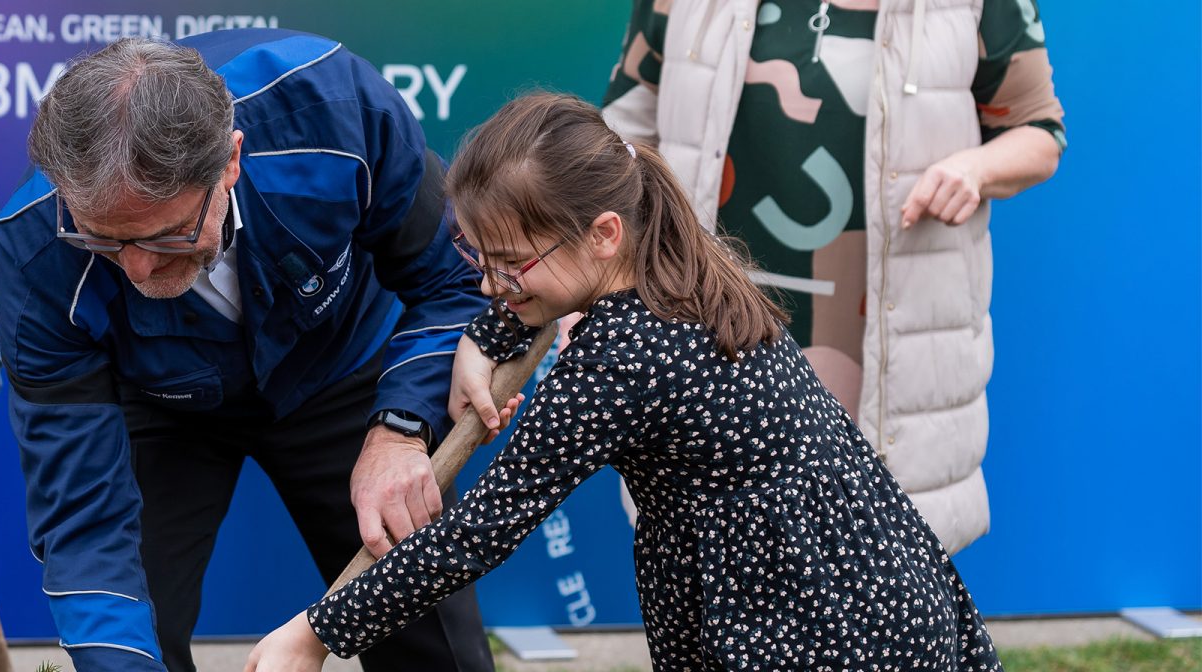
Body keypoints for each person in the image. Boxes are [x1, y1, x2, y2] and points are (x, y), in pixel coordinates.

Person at [247, 92, 1001, 671]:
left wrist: (317, 631)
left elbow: (477, 533)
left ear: (603, 232)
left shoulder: (619, 360)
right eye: (481, 261)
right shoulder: (677, 263)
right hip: (878, 584)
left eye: (509, 263)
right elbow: (545, 288)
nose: (491, 284)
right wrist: (488, 335)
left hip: (812, 629)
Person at [0, 32, 494, 672]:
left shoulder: (330, 108)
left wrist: (402, 428)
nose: (141, 270)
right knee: (131, 627)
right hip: (159, 409)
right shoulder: (35, 249)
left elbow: (457, 281)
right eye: (105, 242)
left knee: (425, 621)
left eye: (169, 236)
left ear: (230, 160)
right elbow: (84, 522)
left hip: (349, 374)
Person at [600, 0, 1066, 552]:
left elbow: (1038, 130)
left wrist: (973, 169)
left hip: (888, 342)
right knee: (718, 557)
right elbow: (618, 140)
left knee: (878, 572)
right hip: (712, 325)